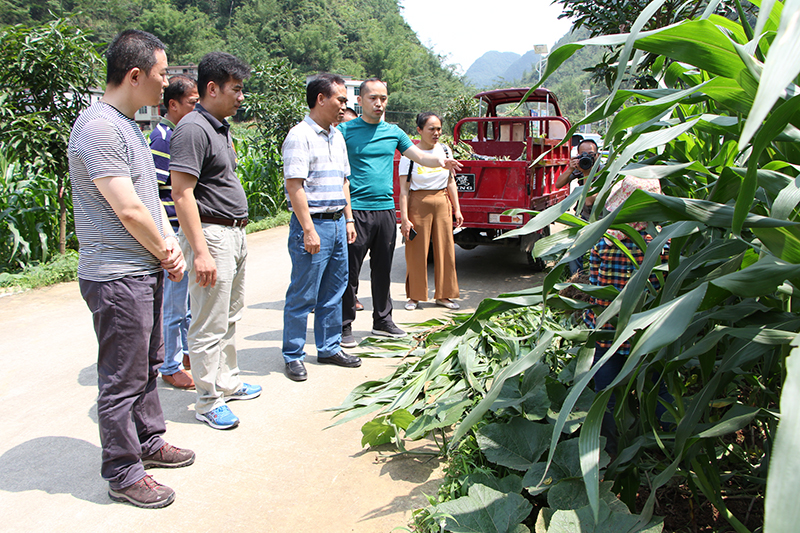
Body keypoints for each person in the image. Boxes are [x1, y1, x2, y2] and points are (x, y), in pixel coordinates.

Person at [69, 29, 194, 509]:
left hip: (142, 268)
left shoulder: (128, 126)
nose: (166, 84)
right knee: (121, 378)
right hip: (117, 274)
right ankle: (123, 471)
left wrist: (168, 246)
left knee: (146, 365)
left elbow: (150, 198)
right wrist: (167, 248)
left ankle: (149, 440)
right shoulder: (99, 127)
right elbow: (127, 209)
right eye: (162, 75)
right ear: (135, 74)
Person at [171, 52, 261, 430]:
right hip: (212, 235)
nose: (241, 97)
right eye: (235, 90)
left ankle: (228, 380)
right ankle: (208, 400)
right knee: (208, 320)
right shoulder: (192, 128)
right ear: (212, 88)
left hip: (233, 233)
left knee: (229, 315)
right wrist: (202, 252)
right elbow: (182, 193)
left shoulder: (219, 127)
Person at [337, 78, 461, 348]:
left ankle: (383, 321)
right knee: (350, 272)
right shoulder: (344, 131)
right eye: (372, 98)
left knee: (382, 270)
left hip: (384, 211)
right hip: (356, 210)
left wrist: (442, 161)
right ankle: (344, 326)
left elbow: (420, 156)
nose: (378, 103)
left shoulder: (394, 132)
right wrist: (345, 215)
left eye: (383, 98)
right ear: (360, 101)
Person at [280, 73, 361, 382]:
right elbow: (295, 186)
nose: (345, 105)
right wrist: (309, 229)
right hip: (313, 225)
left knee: (334, 290)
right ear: (321, 99)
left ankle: (328, 347)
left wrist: (349, 219)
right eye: (341, 99)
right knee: (303, 293)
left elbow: (343, 181)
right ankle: (293, 354)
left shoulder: (336, 136)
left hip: (338, 224)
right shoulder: (299, 136)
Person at [583, 175, 670, 453]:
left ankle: (607, 453)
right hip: (650, 337)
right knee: (659, 394)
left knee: (605, 398)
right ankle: (668, 447)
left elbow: (595, 289)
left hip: (609, 335)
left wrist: (589, 323)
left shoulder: (605, 240)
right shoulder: (664, 243)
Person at [150, 75, 199, 390]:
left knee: (188, 301)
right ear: (173, 104)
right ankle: (169, 365)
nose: (196, 109)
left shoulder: (180, 135)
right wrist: (165, 238)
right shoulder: (161, 138)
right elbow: (152, 194)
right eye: (192, 104)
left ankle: (183, 353)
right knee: (174, 304)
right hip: (173, 230)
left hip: (186, 229)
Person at [398, 112, 463, 310]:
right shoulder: (409, 155)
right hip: (418, 202)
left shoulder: (445, 150)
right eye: (431, 129)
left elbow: (451, 182)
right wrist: (405, 218)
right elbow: (403, 190)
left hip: (442, 202)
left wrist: (457, 210)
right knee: (416, 250)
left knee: (446, 249)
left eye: (438, 129)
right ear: (419, 130)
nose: (436, 133)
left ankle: (444, 295)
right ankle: (415, 296)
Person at [555, 137, 601, 274]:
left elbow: (589, 201)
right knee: (573, 249)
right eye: (583, 155)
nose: (587, 158)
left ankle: (596, 279)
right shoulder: (580, 168)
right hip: (585, 216)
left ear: (597, 155)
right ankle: (576, 278)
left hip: (602, 217)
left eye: (590, 155)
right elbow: (558, 184)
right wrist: (570, 169)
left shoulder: (605, 172)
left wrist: (587, 174)